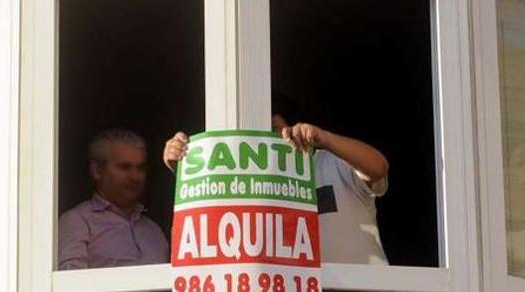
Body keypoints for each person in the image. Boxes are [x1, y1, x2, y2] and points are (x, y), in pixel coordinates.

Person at [163, 101, 391, 265]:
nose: (264, 140)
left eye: (272, 128)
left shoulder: (332, 164)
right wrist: (185, 167)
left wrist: (325, 138)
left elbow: (378, 167)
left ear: (293, 125)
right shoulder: (250, 188)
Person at [58, 129, 169, 270]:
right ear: (97, 171)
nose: (135, 176)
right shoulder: (77, 221)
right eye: (125, 167)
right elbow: (70, 285)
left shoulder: (153, 230)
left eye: (140, 168)